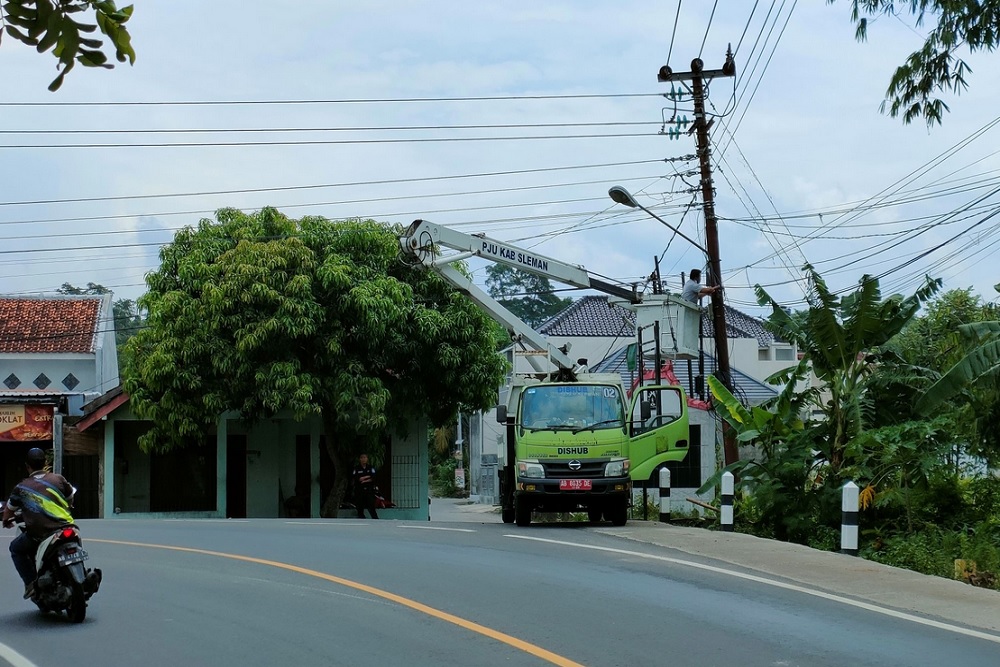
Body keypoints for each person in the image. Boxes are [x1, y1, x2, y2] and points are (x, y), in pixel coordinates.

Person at [2, 448, 76, 599]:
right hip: (68, 526)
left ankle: (30, 583)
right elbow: (69, 498)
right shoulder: (58, 479)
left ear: (27, 466)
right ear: (45, 463)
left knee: (15, 548)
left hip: (41, 534)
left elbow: (8, 511)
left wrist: (6, 520)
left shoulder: (21, 487)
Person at [351, 453, 379, 519]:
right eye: (362, 458)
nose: (363, 459)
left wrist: (365, 479)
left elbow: (373, 477)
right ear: (360, 459)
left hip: (369, 490)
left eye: (365, 457)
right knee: (360, 506)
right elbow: (357, 478)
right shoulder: (357, 468)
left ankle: (375, 519)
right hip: (359, 490)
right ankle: (361, 518)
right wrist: (367, 477)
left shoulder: (370, 467)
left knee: (371, 505)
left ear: (367, 459)